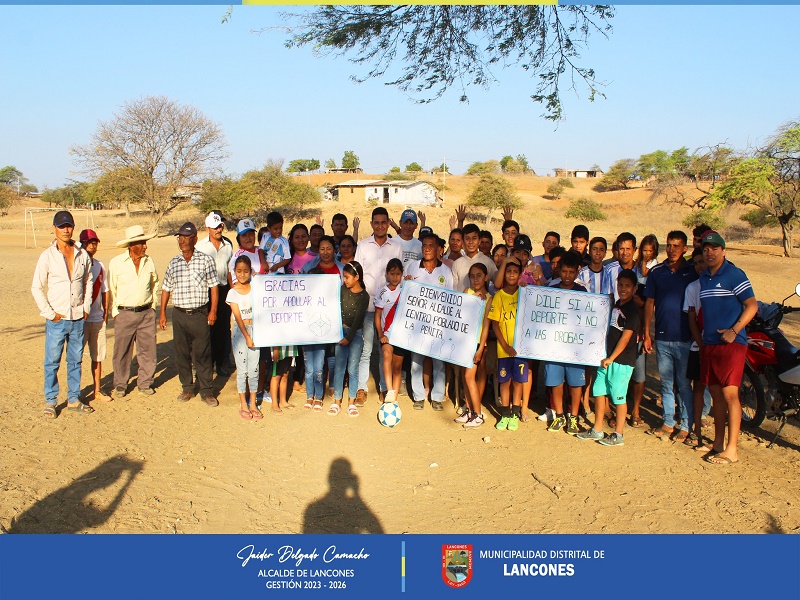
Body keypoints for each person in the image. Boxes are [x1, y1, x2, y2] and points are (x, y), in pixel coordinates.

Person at [698, 231, 757, 465]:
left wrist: (734, 331)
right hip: (711, 343)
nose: (710, 252)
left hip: (732, 345)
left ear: (724, 251)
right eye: (706, 249)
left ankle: (732, 450)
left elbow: (751, 306)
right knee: (715, 394)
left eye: (714, 248)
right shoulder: (704, 278)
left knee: (730, 394)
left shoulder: (734, 274)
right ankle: (718, 444)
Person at [31, 210, 94, 418]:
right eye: (61, 226)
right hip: (57, 319)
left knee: (75, 360)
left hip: (77, 317)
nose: (65, 230)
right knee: (52, 362)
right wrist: (50, 313)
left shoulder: (82, 254)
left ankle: (74, 399)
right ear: (54, 228)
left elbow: (88, 281)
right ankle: (51, 401)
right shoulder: (47, 256)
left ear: (73, 227)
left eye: (69, 225)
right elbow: (36, 287)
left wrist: (85, 307)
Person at [643, 230, 697, 440]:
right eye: (670, 245)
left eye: (677, 245)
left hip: (685, 338)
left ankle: (686, 424)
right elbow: (649, 303)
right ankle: (668, 421)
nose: (673, 249)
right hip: (663, 337)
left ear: (685, 248)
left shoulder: (693, 272)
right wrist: (647, 333)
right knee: (666, 383)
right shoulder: (657, 272)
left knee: (684, 384)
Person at [577, 269, 640, 446]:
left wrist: (611, 357)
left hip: (621, 361)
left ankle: (618, 434)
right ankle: (597, 429)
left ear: (634, 288)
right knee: (598, 391)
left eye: (628, 286)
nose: (623, 289)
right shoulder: (617, 304)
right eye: (620, 284)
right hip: (605, 358)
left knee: (618, 397)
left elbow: (626, 338)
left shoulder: (633, 310)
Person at [159, 222, 220, 407]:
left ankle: (207, 391)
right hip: (179, 314)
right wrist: (162, 313)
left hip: (199, 314)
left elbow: (214, 287)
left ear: (195, 239)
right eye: (181, 238)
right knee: (181, 352)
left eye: (187, 237)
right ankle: (187, 387)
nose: (183, 241)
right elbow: (166, 288)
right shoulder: (174, 262)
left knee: (203, 353)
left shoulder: (205, 260)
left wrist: (213, 311)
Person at [353, 207, 403, 405]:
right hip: (368, 306)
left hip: (389, 311)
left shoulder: (396, 246)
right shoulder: (363, 246)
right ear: (372, 223)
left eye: (384, 222)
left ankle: (384, 387)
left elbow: (399, 275)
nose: (380, 225)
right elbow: (358, 274)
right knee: (365, 350)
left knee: (385, 349)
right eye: (377, 222)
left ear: (389, 223)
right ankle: (362, 388)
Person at [108, 225, 159, 398]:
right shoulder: (116, 263)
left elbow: (155, 284)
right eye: (141, 243)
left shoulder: (149, 261)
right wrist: (116, 312)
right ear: (131, 245)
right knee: (122, 351)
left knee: (148, 351)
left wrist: (153, 306)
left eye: (145, 242)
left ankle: (145, 383)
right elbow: (112, 288)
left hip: (146, 313)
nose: (145, 246)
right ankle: (121, 384)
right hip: (125, 313)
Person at [405, 234, 455, 410]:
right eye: (424, 245)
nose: (427, 248)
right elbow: (405, 294)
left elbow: (451, 298)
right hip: (417, 324)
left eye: (431, 245)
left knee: (438, 362)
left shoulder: (445, 272)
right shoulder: (412, 267)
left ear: (438, 249)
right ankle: (419, 396)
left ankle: (437, 396)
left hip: (438, 324)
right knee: (416, 361)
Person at [544, 251, 588, 435]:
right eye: (564, 271)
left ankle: (574, 416)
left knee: (576, 383)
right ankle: (559, 414)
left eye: (571, 272)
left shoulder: (582, 292)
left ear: (577, 272)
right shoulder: (552, 290)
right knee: (556, 381)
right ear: (559, 270)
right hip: (554, 346)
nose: (567, 276)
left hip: (575, 348)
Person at [487, 258, 525, 430]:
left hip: (521, 350)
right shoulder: (499, 296)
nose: (511, 274)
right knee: (505, 381)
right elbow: (495, 324)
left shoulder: (525, 295)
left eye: (515, 272)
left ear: (519, 275)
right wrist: (506, 346)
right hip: (504, 350)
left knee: (518, 382)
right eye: (508, 271)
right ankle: (504, 414)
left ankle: (515, 414)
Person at [197, 211, 234, 376]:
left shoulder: (228, 245)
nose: (218, 230)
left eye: (219, 226)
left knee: (224, 327)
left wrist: (232, 292)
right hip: (206, 291)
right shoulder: (200, 247)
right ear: (207, 229)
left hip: (224, 289)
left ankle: (221, 362)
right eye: (214, 227)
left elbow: (229, 270)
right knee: (206, 329)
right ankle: (205, 364)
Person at [330, 261, 369, 417]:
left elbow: (359, 319)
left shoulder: (364, 296)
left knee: (353, 369)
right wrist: (339, 333)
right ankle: (337, 402)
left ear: (357, 277)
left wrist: (349, 338)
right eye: (343, 277)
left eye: (346, 277)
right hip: (340, 332)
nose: (344, 280)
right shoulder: (341, 290)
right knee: (339, 368)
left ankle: (351, 402)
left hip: (356, 335)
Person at [458, 263, 493, 428]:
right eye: (472, 276)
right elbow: (461, 313)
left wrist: (481, 348)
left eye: (479, 275)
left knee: (469, 377)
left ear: (486, 277)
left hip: (477, 342)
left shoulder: (489, 299)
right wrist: (473, 299)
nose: (475, 279)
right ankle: (469, 410)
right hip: (464, 341)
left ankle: (478, 414)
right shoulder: (467, 292)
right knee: (465, 377)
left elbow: (486, 325)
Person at [226, 255, 261, 421]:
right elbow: (237, 317)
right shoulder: (233, 293)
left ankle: (253, 403)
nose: (242, 274)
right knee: (243, 370)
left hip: (256, 329)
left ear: (250, 271)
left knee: (254, 369)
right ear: (234, 272)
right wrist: (246, 336)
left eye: (246, 271)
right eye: (239, 271)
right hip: (241, 332)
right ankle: (243, 404)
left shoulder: (256, 288)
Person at [79, 229, 112, 403]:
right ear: (82, 244)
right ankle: (75, 394)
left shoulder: (100, 266)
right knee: (76, 358)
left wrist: (106, 311)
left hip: (97, 318)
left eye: (95, 242)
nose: (92, 245)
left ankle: (97, 390)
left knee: (97, 356)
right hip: (80, 319)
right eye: (89, 242)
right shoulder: (76, 263)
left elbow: (105, 290)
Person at [684, 247, 709, 448]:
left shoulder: (721, 283)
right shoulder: (692, 288)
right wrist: (700, 344)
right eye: (697, 263)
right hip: (698, 344)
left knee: (721, 391)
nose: (700, 266)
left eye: (703, 261)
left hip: (719, 344)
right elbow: (692, 318)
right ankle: (697, 430)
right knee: (698, 388)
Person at [375, 259, 405, 403]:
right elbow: (377, 315)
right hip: (386, 334)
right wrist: (380, 334)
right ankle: (389, 391)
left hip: (401, 336)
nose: (395, 277)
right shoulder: (382, 292)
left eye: (398, 274)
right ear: (387, 274)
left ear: (402, 275)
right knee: (387, 355)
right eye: (392, 274)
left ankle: (394, 398)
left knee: (397, 368)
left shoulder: (406, 290)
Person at [451, 223, 497, 293]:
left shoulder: (488, 262)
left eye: (474, 238)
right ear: (463, 241)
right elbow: (454, 290)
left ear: (479, 241)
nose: (471, 242)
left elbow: (498, 284)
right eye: (467, 239)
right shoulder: (457, 263)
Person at [230, 219, 268, 285]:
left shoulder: (262, 250)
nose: (248, 238)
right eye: (244, 235)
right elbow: (237, 285)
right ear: (238, 238)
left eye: (250, 234)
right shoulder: (237, 257)